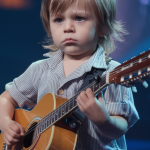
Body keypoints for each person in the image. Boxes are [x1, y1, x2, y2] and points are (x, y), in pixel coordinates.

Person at [0, 0, 139, 149]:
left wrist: (103, 120)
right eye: (59, 20)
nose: (68, 28)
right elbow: (5, 99)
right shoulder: (40, 69)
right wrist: (7, 124)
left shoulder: (112, 72)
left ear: (103, 26)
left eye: (79, 18)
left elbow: (120, 128)